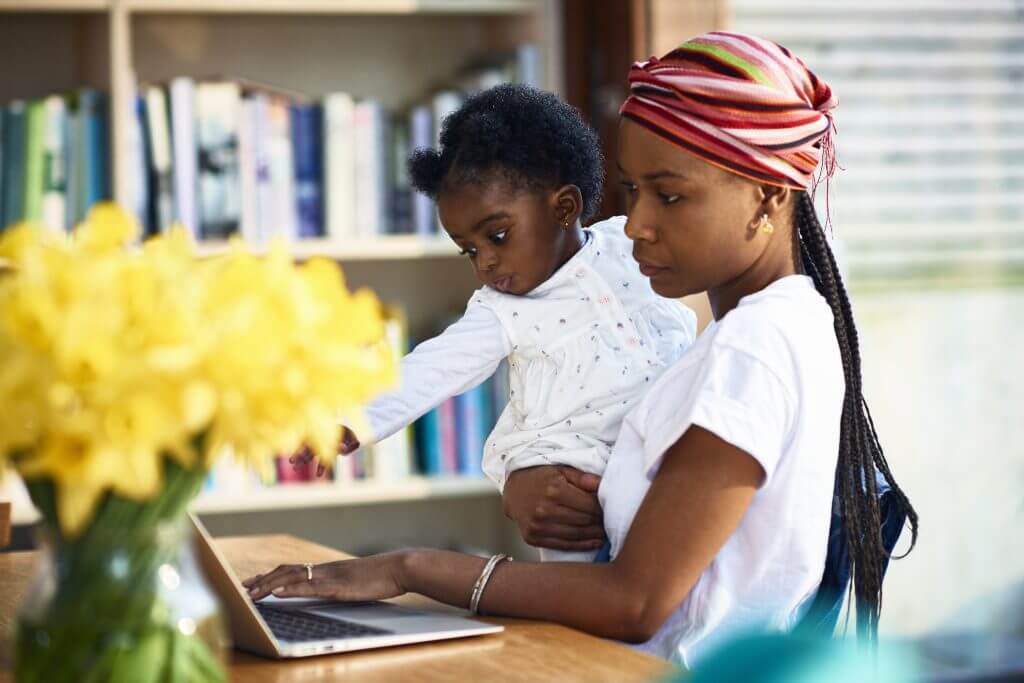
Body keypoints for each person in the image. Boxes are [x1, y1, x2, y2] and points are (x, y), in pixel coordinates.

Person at [247, 33, 918, 667]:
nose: (637, 223)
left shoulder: (751, 347)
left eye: (670, 194)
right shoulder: (778, 325)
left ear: (769, 195)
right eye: (631, 189)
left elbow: (634, 601)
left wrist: (408, 567)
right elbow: (443, 368)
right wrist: (518, 476)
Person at [294, 83, 697, 562]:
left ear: (564, 208)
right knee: (581, 612)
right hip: (572, 482)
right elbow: (431, 368)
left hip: (662, 458)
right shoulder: (500, 310)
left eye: (498, 236)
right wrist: (350, 419)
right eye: (469, 249)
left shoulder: (625, 243)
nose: (484, 261)